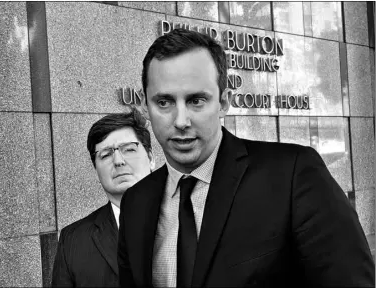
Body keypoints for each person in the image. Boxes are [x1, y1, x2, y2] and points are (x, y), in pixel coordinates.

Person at [117, 28, 375, 287]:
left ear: (224, 102)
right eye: (164, 102)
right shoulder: (136, 203)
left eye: (196, 100)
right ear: (145, 106)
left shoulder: (292, 176)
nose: (181, 121)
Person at [52, 109, 155, 287]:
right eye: (106, 155)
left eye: (129, 149)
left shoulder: (195, 219)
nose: (118, 160)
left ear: (151, 158)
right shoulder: (72, 240)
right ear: (96, 170)